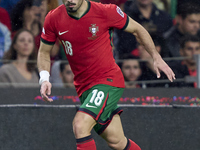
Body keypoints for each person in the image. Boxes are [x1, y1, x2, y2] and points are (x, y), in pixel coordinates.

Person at [37, 0, 175, 149]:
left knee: (80, 124)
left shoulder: (105, 11)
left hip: (107, 80)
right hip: (84, 88)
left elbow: (137, 29)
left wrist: (156, 56)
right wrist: (44, 79)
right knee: (117, 141)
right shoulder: (53, 18)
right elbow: (44, 52)